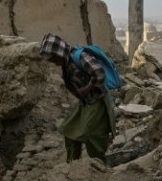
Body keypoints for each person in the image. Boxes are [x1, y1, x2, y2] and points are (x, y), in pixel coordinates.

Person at [39, 33, 116, 163]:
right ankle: (72, 166)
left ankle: (98, 167)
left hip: (97, 101)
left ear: (58, 53)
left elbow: (99, 73)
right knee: (69, 130)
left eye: (53, 59)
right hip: (86, 102)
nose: (54, 63)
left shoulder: (80, 57)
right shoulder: (66, 61)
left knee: (92, 136)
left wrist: (85, 89)